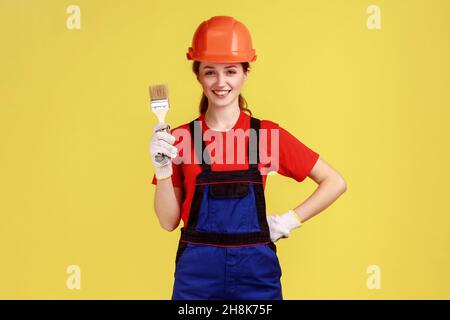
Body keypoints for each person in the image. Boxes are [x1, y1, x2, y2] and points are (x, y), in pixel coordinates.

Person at [150, 16, 347, 300]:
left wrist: (287, 221)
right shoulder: (178, 139)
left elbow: (334, 182)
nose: (220, 83)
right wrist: (163, 168)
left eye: (230, 71)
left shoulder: (266, 135)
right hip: (197, 281)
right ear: (198, 75)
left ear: (245, 73)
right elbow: (168, 221)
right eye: (210, 72)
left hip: (256, 279)